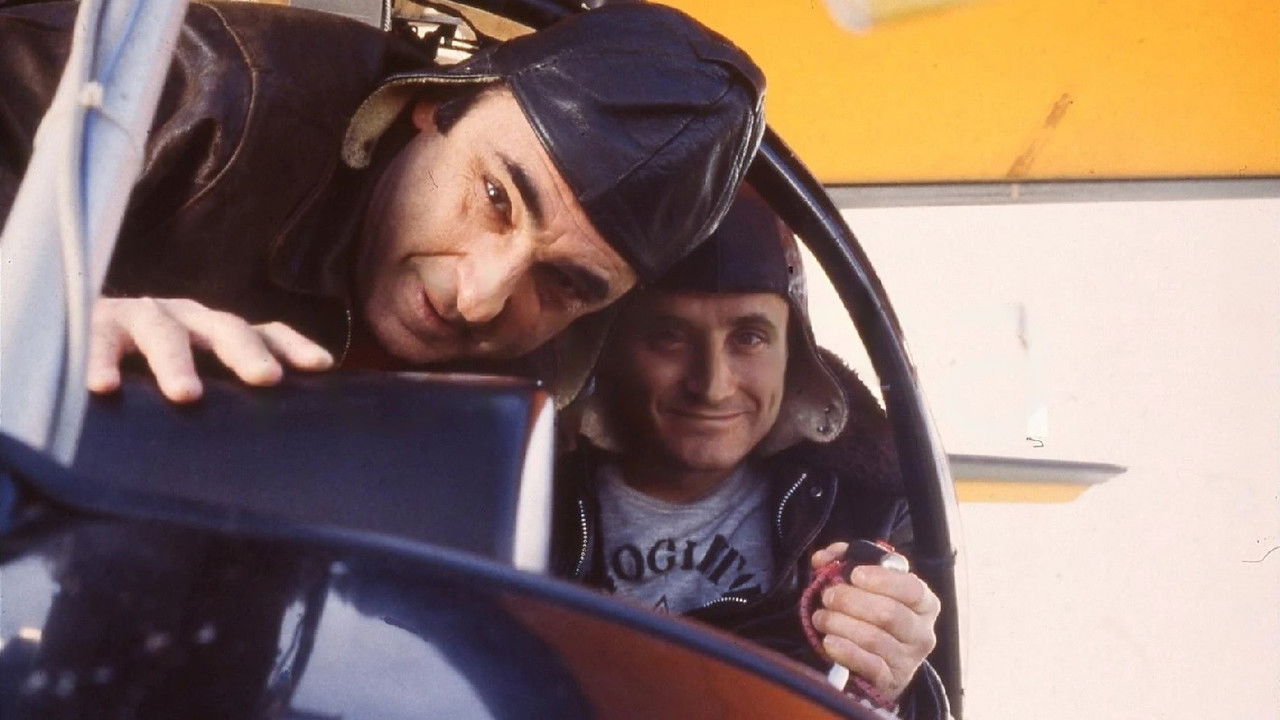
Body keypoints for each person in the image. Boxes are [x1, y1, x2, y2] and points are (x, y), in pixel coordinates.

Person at [0, 1, 764, 404]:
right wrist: (38, 319)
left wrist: (828, 601)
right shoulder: (198, 93)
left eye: (563, 282)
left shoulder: (555, 377)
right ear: (434, 103)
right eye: (496, 197)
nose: (479, 297)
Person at [552, 189, 950, 718]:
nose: (712, 386)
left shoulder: (871, 516)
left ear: (795, 356)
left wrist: (894, 688)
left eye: (749, 337)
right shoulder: (522, 492)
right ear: (611, 348)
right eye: (668, 336)